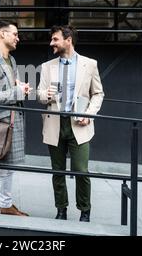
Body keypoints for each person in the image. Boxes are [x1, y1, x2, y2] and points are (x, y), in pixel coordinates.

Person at [37, 25, 104, 222]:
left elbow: (98, 93)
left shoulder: (89, 64)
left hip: (79, 125)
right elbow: (40, 94)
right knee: (57, 171)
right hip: (55, 124)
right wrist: (44, 95)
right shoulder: (47, 66)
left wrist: (90, 114)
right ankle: (61, 209)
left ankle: (85, 210)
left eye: (55, 39)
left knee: (81, 170)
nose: (52, 43)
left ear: (68, 40)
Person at [0, 20, 32, 216]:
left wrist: (20, 88)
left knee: (9, 168)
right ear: (2, 34)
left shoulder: (11, 60)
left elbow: (10, 88)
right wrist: (18, 91)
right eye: (15, 34)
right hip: (0, 122)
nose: (18, 38)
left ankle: (6, 204)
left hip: (13, 120)